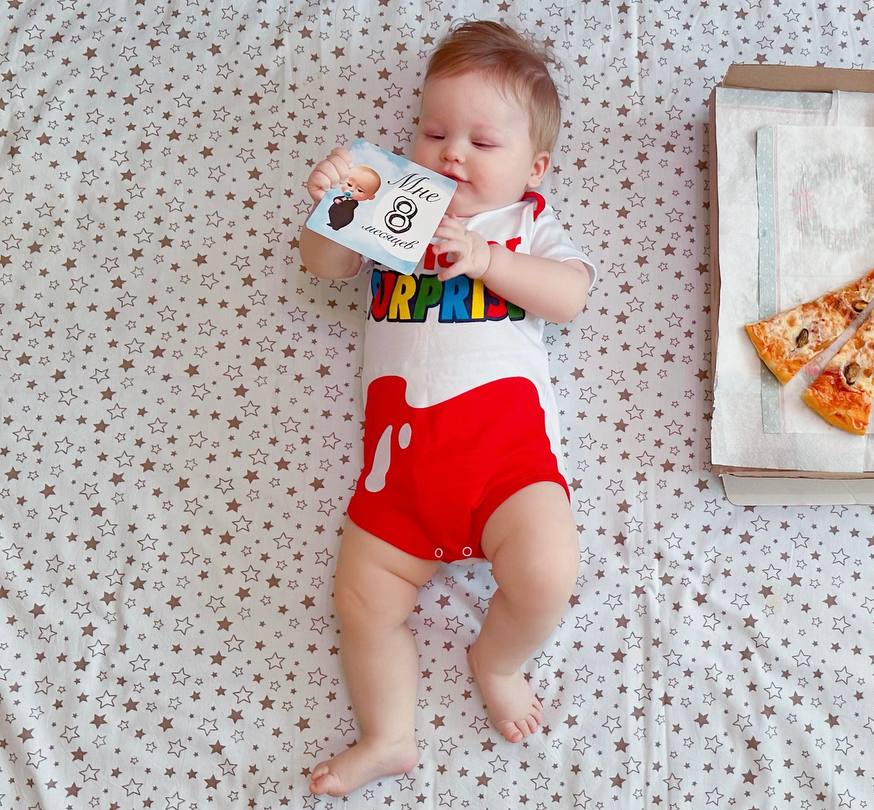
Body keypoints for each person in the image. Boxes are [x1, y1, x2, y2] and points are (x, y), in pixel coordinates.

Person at [297, 20, 595, 797]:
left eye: (481, 142)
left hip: (506, 463)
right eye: (434, 133)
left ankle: (497, 661)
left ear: (534, 168)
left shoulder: (525, 223)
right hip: (399, 471)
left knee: (548, 572)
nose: (452, 154)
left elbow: (570, 295)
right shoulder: (393, 205)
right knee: (361, 601)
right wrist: (336, 203)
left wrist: (490, 259)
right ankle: (387, 735)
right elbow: (323, 267)